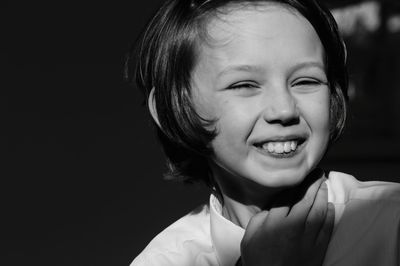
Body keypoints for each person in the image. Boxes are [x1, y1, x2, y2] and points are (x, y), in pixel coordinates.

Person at [126, 0, 400, 265]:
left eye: (306, 81)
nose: (284, 110)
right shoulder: (165, 260)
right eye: (244, 85)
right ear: (170, 108)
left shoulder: (390, 223)